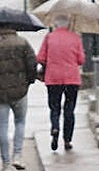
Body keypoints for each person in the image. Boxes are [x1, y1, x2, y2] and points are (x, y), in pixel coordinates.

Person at [0, 24, 38, 171]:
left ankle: (5, 163)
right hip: (20, 89)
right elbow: (32, 64)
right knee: (20, 122)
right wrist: (29, 81)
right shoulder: (22, 42)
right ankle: (17, 155)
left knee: (2, 127)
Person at [36, 15, 86, 152]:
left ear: (56, 24)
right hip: (71, 78)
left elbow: (40, 58)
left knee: (54, 107)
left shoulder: (49, 37)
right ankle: (67, 139)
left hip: (53, 78)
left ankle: (55, 127)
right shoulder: (75, 38)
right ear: (68, 24)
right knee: (69, 109)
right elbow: (81, 60)